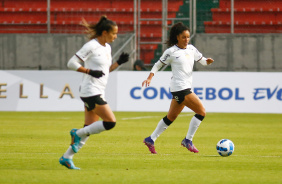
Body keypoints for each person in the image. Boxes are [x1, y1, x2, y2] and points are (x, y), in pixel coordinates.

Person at [59, 16, 129, 169]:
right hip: (89, 90)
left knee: (88, 128)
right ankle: (76, 133)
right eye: (113, 33)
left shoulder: (107, 48)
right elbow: (71, 63)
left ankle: (67, 157)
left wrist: (118, 63)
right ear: (104, 32)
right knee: (110, 122)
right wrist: (89, 71)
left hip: (98, 90)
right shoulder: (91, 46)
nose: (115, 36)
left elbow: (104, 71)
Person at [142, 22, 214, 154]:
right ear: (177, 38)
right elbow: (158, 64)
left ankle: (150, 139)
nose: (186, 40)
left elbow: (202, 60)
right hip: (180, 88)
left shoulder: (191, 49)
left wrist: (207, 61)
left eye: (188, 37)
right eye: (183, 37)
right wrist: (150, 77)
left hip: (184, 88)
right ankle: (188, 140)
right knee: (201, 112)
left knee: (171, 117)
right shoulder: (171, 52)